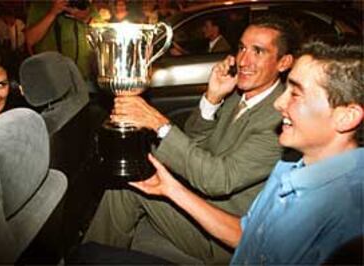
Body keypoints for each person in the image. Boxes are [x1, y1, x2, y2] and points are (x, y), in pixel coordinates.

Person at [83, 15, 299, 263]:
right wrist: (212, 97)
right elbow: (196, 143)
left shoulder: (281, 119)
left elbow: (217, 180)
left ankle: (88, 257)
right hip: (200, 200)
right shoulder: (240, 95)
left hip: (218, 236)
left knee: (128, 185)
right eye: (241, 48)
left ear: (283, 62)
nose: (243, 60)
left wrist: (158, 123)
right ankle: (93, 254)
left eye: (258, 51)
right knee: (130, 176)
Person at [129, 40, 364, 264]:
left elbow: (218, 180)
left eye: (295, 94)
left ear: (347, 117)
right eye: (242, 48)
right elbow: (249, 235)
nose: (278, 103)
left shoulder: (351, 217)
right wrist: (171, 189)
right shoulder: (289, 165)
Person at [25, 0, 101, 81]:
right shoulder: (40, 5)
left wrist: (87, 18)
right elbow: (30, 39)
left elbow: (105, 29)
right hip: (52, 79)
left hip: (84, 78)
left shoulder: (85, 5)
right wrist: (52, 13)